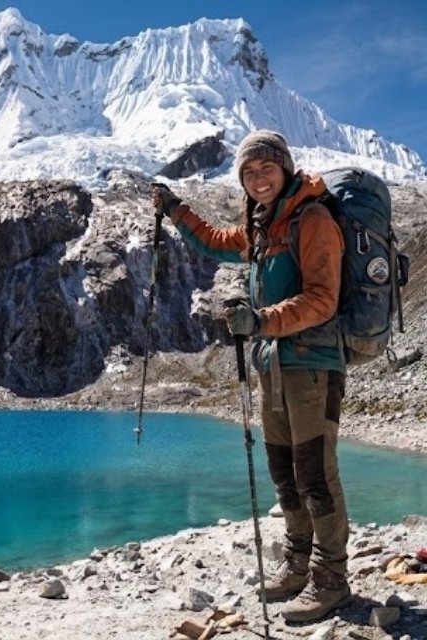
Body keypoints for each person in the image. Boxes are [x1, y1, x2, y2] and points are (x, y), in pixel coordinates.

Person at [152, 130, 351, 623]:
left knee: (316, 475)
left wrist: (261, 321)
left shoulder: (313, 218)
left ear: (285, 169)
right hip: (274, 368)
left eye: (266, 168)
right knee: (285, 473)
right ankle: (298, 564)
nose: (258, 177)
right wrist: (178, 210)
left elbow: (323, 299)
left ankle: (332, 578)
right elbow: (218, 243)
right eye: (248, 171)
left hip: (312, 367)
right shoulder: (265, 225)